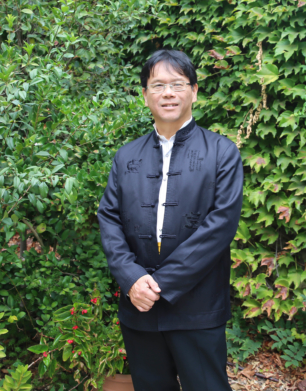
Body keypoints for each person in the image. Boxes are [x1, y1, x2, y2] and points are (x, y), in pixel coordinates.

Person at [97, 49, 244, 391]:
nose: (168, 93)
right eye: (158, 85)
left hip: (198, 307)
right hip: (139, 307)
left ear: (193, 91)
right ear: (145, 94)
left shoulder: (222, 152)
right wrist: (133, 279)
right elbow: (109, 218)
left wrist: (159, 285)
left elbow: (220, 226)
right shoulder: (126, 156)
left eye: (177, 84)